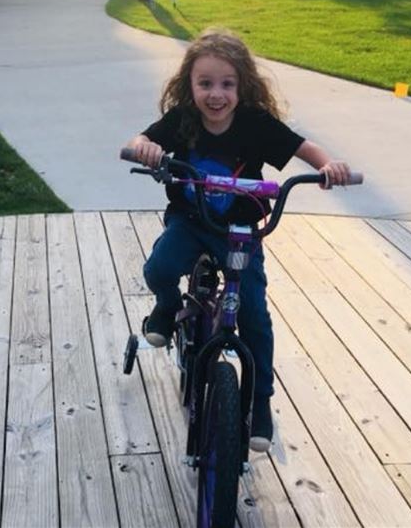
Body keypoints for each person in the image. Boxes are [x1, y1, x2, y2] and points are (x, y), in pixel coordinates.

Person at [124, 27, 352, 452]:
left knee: (252, 315)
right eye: (205, 83)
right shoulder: (182, 120)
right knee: (160, 268)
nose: (216, 94)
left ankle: (260, 400)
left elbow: (304, 148)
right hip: (192, 221)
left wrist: (330, 166)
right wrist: (145, 148)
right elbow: (140, 139)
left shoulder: (255, 124)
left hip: (240, 233)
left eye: (227, 84)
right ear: (189, 85)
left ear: (242, 86)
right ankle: (167, 305)